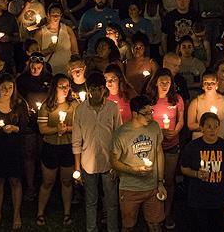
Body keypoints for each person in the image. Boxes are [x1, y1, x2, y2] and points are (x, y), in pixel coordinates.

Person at [72, 72, 122, 232]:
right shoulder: (80, 110)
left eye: (100, 88)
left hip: (109, 162)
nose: (96, 92)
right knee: (91, 200)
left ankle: (112, 229)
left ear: (104, 89)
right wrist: (78, 168)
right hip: (88, 163)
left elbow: (118, 136)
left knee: (112, 201)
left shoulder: (112, 108)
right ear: (88, 89)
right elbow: (76, 141)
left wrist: (116, 163)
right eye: (93, 89)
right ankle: (91, 228)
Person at [110, 95, 167, 232]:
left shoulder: (154, 127)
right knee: (128, 226)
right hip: (130, 188)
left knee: (155, 224)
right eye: (146, 113)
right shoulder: (121, 134)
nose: (150, 117)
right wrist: (133, 170)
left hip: (152, 187)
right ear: (135, 113)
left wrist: (160, 182)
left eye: (151, 112)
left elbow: (159, 152)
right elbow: (113, 161)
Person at [179, 111, 224, 232]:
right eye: (209, 127)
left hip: (219, 200)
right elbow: (183, 168)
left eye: (216, 127)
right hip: (198, 200)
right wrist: (196, 174)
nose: (213, 130)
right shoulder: (192, 147)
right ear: (201, 128)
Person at [0, 73, 28, 230]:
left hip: (14, 148)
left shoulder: (20, 104)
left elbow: (25, 126)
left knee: (15, 181)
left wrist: (14, 128)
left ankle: (16, 215)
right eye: (4, 87)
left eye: (10, 87)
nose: (7, 91)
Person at [145, 69, 185, 229]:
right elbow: (144, 122)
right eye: (161, 81)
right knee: (153, 181)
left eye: (168, 82)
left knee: (168, 181)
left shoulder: (177, 100)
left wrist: (175, 131)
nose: (164, 84)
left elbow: (181, 120)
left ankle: (167, 213)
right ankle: (153, 214)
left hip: (171, 146)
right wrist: (158, 132)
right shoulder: (149, 100)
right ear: (155, 82)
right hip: (153, 147)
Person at [36, 73, 77, 226]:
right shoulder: (46, 106)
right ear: (54, 87)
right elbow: (42, 129)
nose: (65, 89)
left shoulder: (74, 105)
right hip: (50, 148)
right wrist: (56, 129)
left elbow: (79, 126)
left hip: (67, 148)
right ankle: (40, 212)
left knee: (66, 181)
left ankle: (67, 213)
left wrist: (67, 129)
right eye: (61, 86)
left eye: (67, 86)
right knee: (48, 182)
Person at [187, 71, 224, 145]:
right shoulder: (195, 102)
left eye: (212, 83)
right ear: (202, 85)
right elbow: (190, 125)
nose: (209, 85)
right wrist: (206, 125)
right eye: (206, 83)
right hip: (200, 143)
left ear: (216, 85)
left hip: (219, 141)